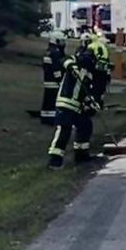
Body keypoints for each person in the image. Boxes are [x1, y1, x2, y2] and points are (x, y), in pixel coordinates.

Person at [47, 38, 105, 168]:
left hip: (77, 106)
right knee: (64, 130)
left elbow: (85, 91)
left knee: (86, 126)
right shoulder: (80, 60)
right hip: (66, 102)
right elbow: (65, 60)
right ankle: (54, 160)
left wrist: (91, 102)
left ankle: (81, 155)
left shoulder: (90, 72)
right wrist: (70, 66)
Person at [39, 32, 67, 124]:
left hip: (47, 80)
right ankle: (51, 119)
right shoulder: (55, 52)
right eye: (61, 41)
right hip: (54, 81)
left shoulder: (49, 51)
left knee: (47, 100)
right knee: (53, 101)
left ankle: (45, 117)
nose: (63, 43)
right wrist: (60, 79)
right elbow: (56, 67)